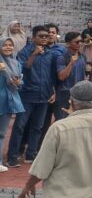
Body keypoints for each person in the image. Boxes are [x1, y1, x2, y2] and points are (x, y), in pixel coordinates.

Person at [18, 81, 92, 198]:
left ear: (71, 101)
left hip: (62, 193)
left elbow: (43, 166)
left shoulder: (59, 128)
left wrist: (28, 185)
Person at [7, 25, 65, 167]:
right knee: (20, 126)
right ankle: (12, 157)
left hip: (44, 96)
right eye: (41, 36)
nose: (45, 38)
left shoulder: (50, 53)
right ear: (33, 38)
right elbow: (22, 68)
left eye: (46, 36)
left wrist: (53, 91)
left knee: (38, 127)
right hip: (27, 95)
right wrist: (34, 54)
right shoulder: (25, 51)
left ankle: (31, 155)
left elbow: (52, 75)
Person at [0, 38, 24, 172]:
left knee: (2, 133)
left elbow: (19, 82)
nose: (8, 47)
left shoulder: (16, 63)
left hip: (8, 100)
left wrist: (17, 81)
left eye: (10, 45)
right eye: (5, 45)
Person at [55, 32, 87, 120]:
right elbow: (61, 76)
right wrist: (71, 63)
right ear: (68, 43)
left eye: (81, 41)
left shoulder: (83, 56)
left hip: (79, 93)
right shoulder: (62, 57)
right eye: (76, 42)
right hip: (65, 94)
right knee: (62, 120)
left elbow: (83, 74)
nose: (80, 43)